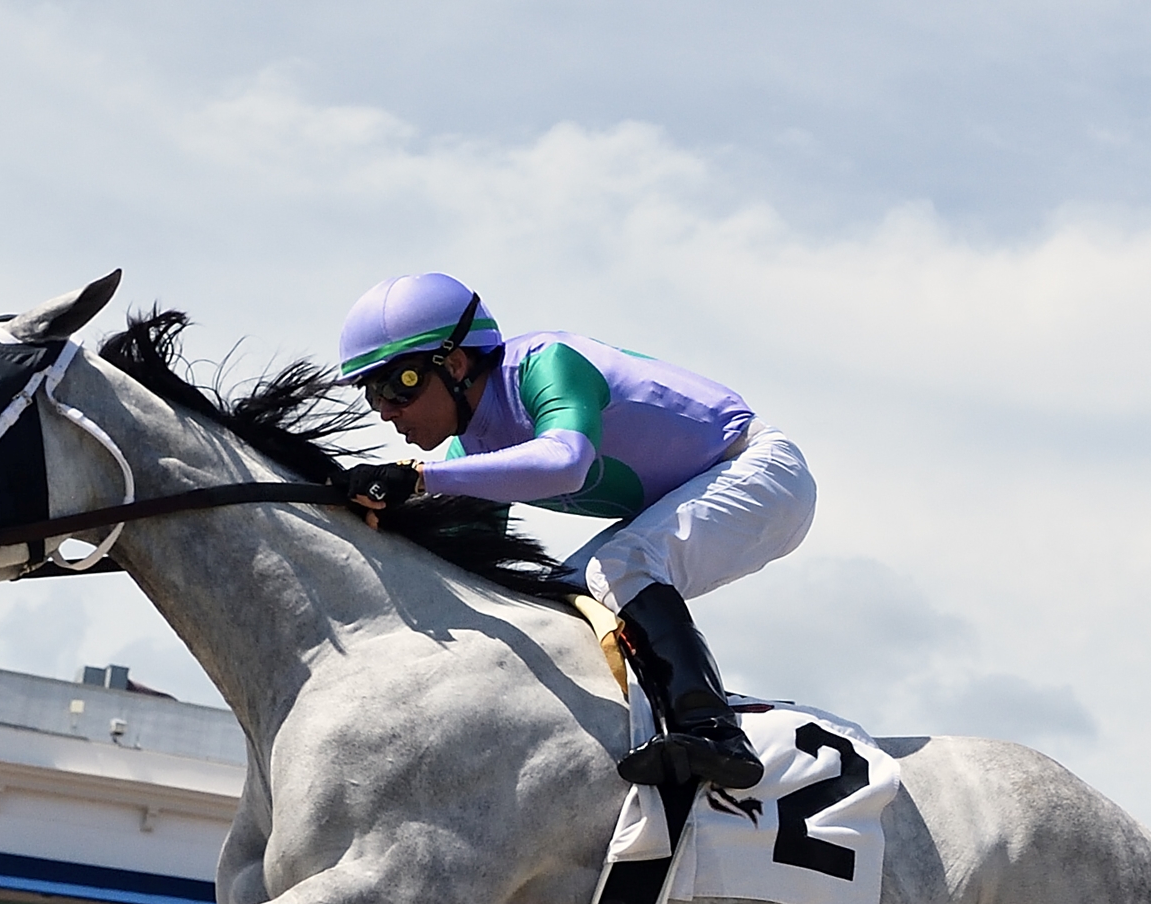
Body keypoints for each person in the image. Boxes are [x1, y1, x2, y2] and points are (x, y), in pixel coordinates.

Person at [333, 273, 817, 792]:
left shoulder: (546, 363)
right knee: (563, 597)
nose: (386, 410)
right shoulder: (468, 451)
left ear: (454, 364)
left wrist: (419, 477)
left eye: (398, 384)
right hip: (695, 492)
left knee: (621, 567)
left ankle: (713, 733)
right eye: (372, 392)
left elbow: (566, 462)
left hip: (762, 472)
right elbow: (463, 569)